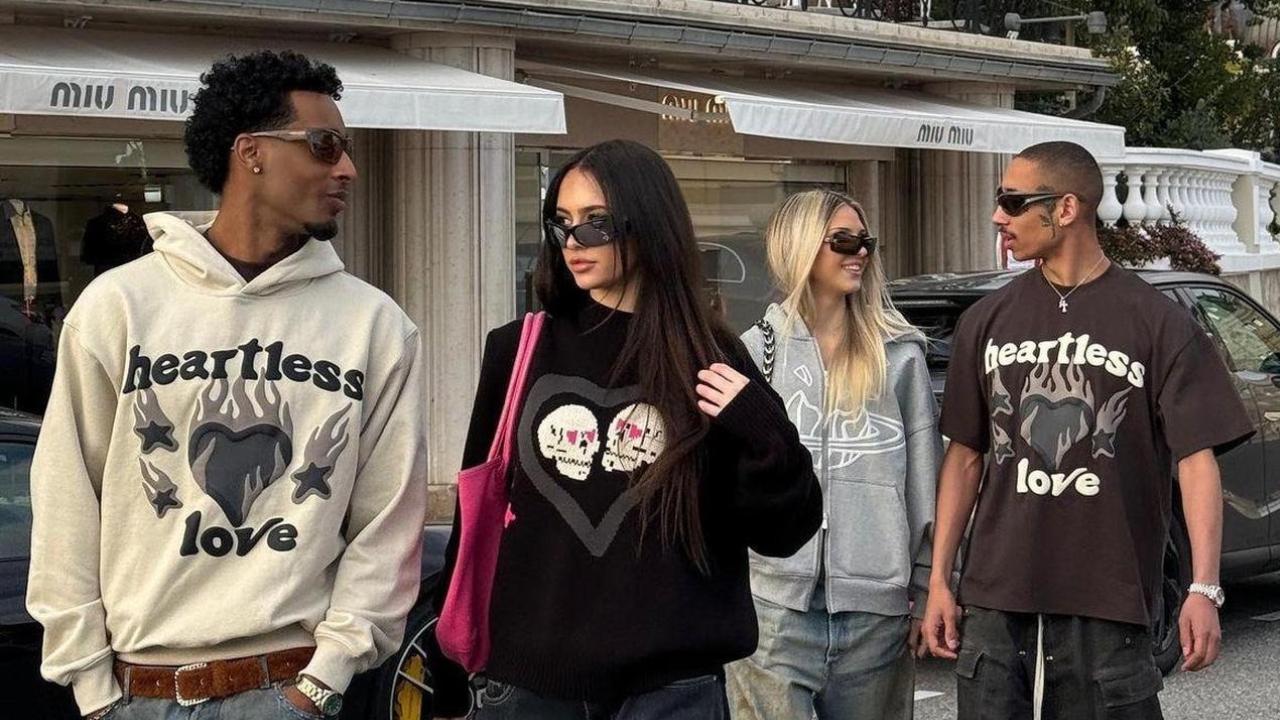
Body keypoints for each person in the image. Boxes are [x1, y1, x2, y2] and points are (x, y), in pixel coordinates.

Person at [26, 50, 428, 720]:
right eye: (324, 145)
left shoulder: (374, 326)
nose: (347, 169)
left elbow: (388, 522)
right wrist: (91, 687)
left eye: (347, 149)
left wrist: (323, 680)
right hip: (136, 692)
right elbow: (66, 491)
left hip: (289, 686)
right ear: (252, 152)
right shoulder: (119, 306)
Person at [428, 139, 823, 720]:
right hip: (528, 687)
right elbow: (475, 517)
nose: (573, 242)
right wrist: (446, 662)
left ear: (649, 223)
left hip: (673, 691)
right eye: (561, 224)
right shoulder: (517, 350)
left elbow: (782, 532)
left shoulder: (709, 357)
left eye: (596, 223)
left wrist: (763, 432)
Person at [923, 141, 1254, 719]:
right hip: (996, 599)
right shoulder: (985, 321)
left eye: (1013, 201)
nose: (999, 216)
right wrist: (939, 581)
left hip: (1109, 600)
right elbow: (966, 456)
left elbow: (1196, 461)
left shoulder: (1158, 322)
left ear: (1067, 208)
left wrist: (1203, 588)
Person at [727, 189, 940, 720]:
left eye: (866, 241)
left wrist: (926, 584)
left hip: (876, 615)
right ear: (799, 246)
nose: (860, 252)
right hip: (772, 610)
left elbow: (924, 484)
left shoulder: (899, 356)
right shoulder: (752, 353)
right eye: (842, 241)